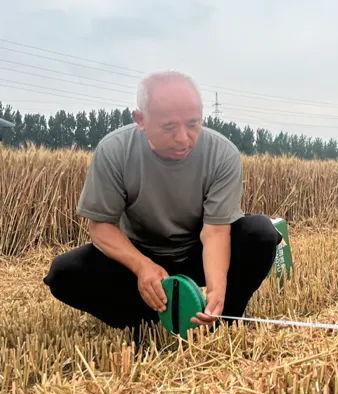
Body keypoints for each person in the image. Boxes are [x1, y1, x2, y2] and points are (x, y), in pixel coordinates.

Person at [43, 70, 282, 341]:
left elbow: (215, 232)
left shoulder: (222, 154)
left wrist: (217, 288)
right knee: (64, 274)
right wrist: (142, 266)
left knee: (260, 233)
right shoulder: (114, 151)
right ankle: (147, 323)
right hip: (141, 254)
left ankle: (223, 319)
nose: (183, 138)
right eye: (169, 127)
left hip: (197, 252)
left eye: (193, 124)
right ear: (141, 120)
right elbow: (100, 227)